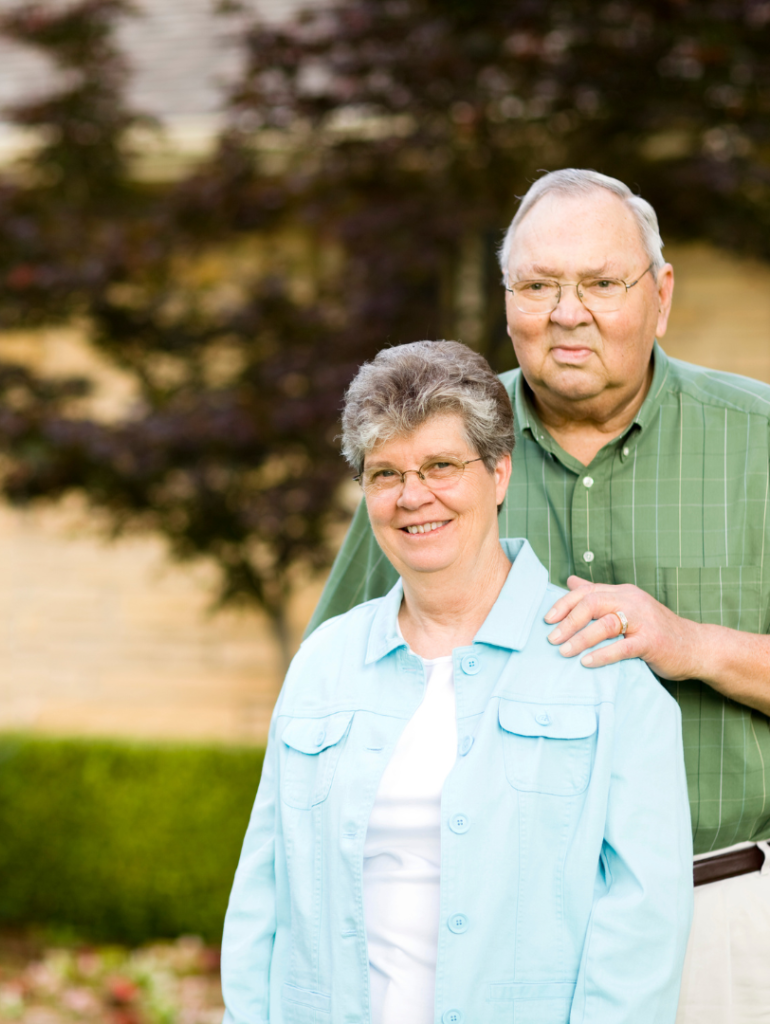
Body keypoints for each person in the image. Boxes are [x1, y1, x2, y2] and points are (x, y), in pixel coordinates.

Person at [307, 169, 770, 1023]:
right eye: (539, 285)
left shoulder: (761, 443)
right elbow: (333, 693)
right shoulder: (437, 461)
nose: (568, 312)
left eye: (600, 283)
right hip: (494, 949)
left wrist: (693, 646)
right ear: (507, 299)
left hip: (725, 919)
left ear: (659, 295)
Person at [221, 340, 693, 1024]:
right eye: (386, 474)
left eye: (440, 465)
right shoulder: (325, 661)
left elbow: (643, 924)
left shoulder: (600, 665)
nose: (414, 497)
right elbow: (263, 891)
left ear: (499, 473)